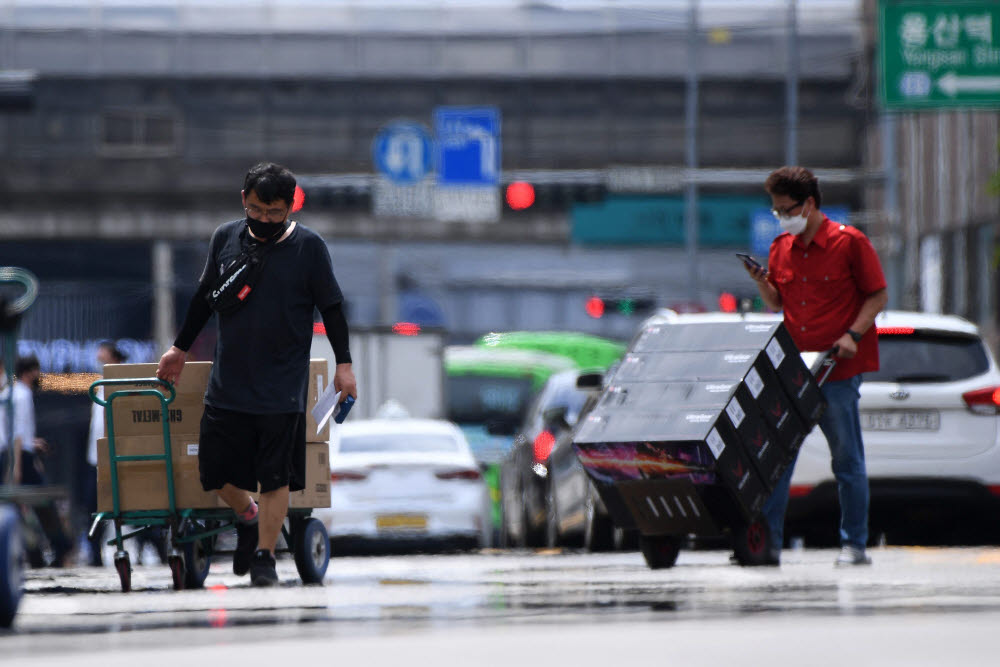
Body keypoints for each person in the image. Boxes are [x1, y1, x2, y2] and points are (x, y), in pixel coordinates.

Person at [156, 162, 356, 587]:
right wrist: (179, 348)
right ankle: (247, 516)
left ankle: (265, 556)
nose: (264, 220)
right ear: (244, 200)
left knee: (275, 474)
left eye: (274, 213)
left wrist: (344, 365)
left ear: (290, 207)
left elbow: (333, 308)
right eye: (257, 210)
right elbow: (204, 298)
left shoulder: (309, 248)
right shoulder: (225, 238)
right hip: (230, 378)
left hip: (282, 384)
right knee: (212, 469)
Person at [745, 166, 888, 567]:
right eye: (775, 211)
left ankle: (854, 545)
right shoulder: (780, 248)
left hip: (836, 371)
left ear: (809, 204)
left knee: (846, 459)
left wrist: (853, 336)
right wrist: (761, 281)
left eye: (786, 209)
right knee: (777, 461)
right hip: (794, 373)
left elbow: (877, 296)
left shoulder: (850, 244)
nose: (781, 217)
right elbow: (778, 303)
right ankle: (768, 543)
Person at [8, 355, 72, 567]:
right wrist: (17, 465)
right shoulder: (22, 395)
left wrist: (32, 446)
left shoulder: (17, 394)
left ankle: (40, 552)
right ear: (30, 372)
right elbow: (16, 434)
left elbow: (20, 433)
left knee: (29, 506)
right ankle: (57, 548)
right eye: (37, 371)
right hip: (20, 458)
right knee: (41, 506)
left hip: (24, 456)